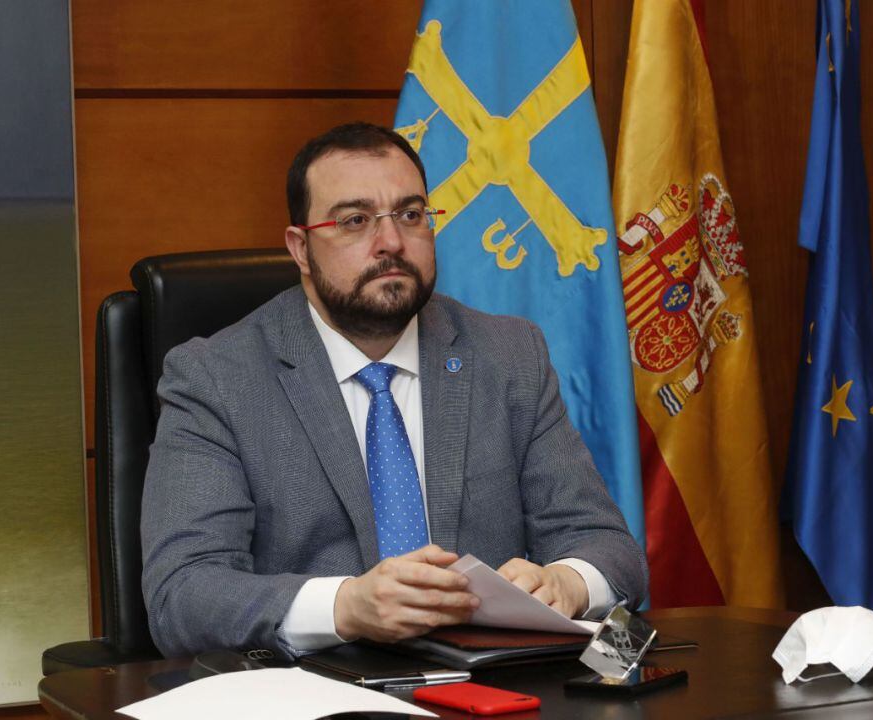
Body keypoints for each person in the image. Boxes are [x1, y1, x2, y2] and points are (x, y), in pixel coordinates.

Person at [141, 122, 647, 659]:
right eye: (355, 221)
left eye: (410, 215)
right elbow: (182, 596)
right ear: (301, 247)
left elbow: (613, 551)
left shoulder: (508, 354)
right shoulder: (216, 378)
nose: (391, 242)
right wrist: (345, 606)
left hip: (492, 691)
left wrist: (568, 582)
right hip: (319, 695)